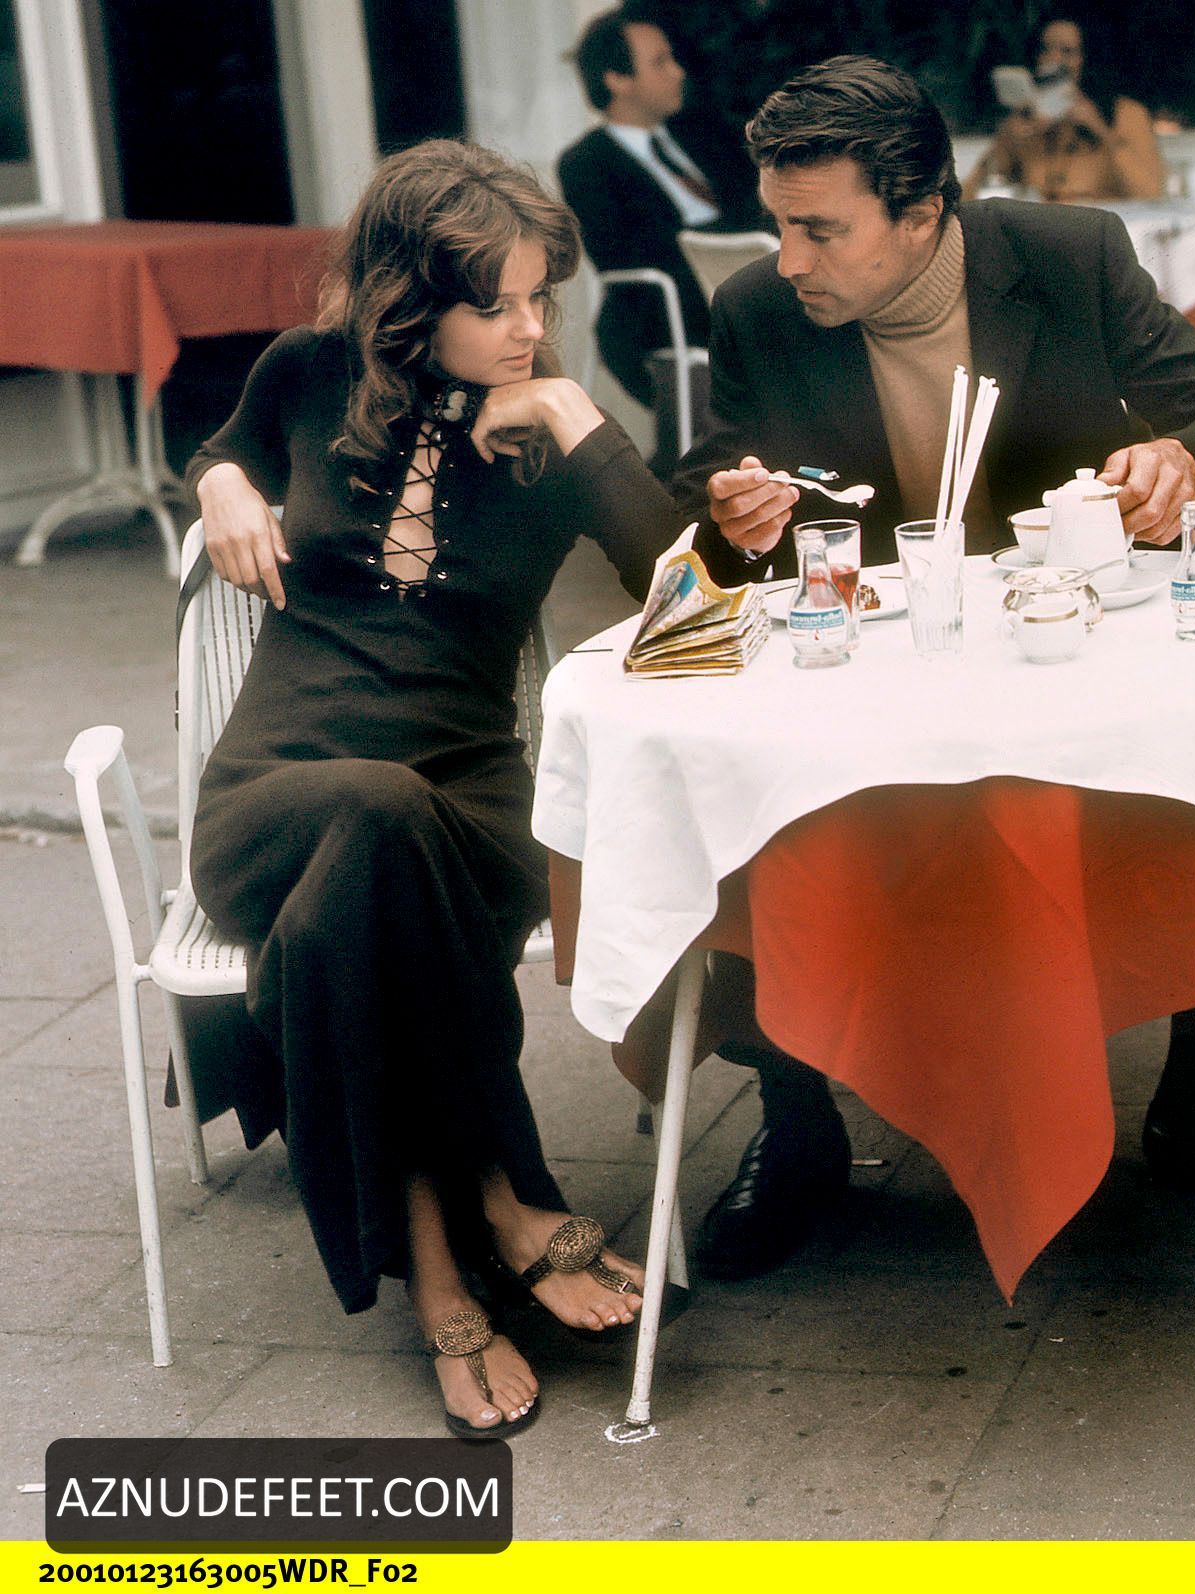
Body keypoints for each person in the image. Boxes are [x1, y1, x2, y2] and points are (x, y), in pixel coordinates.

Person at [669, 55, 1195, 1279]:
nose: (789, 258)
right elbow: (710, 490)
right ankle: (795, 1119)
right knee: (736, 776)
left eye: (820, 229)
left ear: (923, 212)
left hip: (1066, 647)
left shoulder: (1069, 258)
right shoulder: (761, 309)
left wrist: (1184, 460)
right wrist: (733, 514)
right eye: (779, 224)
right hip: (874, 669)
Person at [185, 140, 685, 1439]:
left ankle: (438, 1255)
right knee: (372, 818)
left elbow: (688, 602)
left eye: (540, 298)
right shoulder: (306, 373)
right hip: (275, 794)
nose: (529, 328)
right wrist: (224, 480)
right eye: (495, 303)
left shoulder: (550, 433)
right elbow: (224, 446)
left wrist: (573, 415)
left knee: (379, 857)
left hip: (466, 805)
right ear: (409, 300)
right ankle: (502, 1199)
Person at [557, 6, 753, 410]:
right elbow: (621, 258)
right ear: (618, 79)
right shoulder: (587, 164)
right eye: (660, 62)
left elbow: (752, 208)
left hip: (748, 285)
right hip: (669, 313)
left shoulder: (703, 137)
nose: (678, 72)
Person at [967, 13, 1165, 202]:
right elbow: (969, 195)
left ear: (1088, 60)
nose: (1053, 60)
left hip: (1103, 220)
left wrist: (1099, 128)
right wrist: (1005, 143)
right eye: (1044, 50)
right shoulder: (1026, 117)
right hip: (1043, 221)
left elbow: (1150, 193)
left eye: (1067, 52)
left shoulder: (1127, 114)